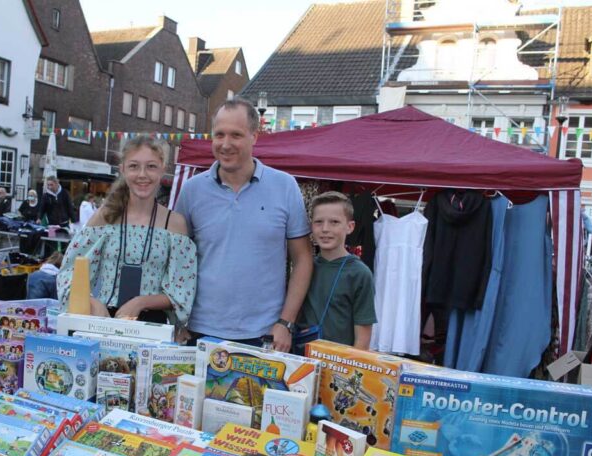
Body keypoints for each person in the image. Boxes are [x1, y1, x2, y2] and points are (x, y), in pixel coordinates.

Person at [175, 98, 313, 351]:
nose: (225, 144)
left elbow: (303, 259)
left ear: (254, 136)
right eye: (219, 135)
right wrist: (177, 318)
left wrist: (286, 322)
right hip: (199, 330)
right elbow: (176, 259)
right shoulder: (192, 190)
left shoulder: (285, 186)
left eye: (236, 135)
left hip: (265, 334)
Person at [57, 135, 196, 325]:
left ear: (163, 169)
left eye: (151, 166)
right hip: (105, 318)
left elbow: (182, 288)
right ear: (122, 169)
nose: (142, 174)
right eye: (134, 166)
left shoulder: (174, 224)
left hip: (152, 324)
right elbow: (70, 272)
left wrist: (140, 302)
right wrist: (92, 301)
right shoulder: (105, 217)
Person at [297, 192, 376, 349]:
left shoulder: (359, 273)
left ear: (350, 227)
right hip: (302, 361)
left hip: (339, 365)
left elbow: (363, 337)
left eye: (334, 222)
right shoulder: (304, 267)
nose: (325, 229)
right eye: (319, 222)